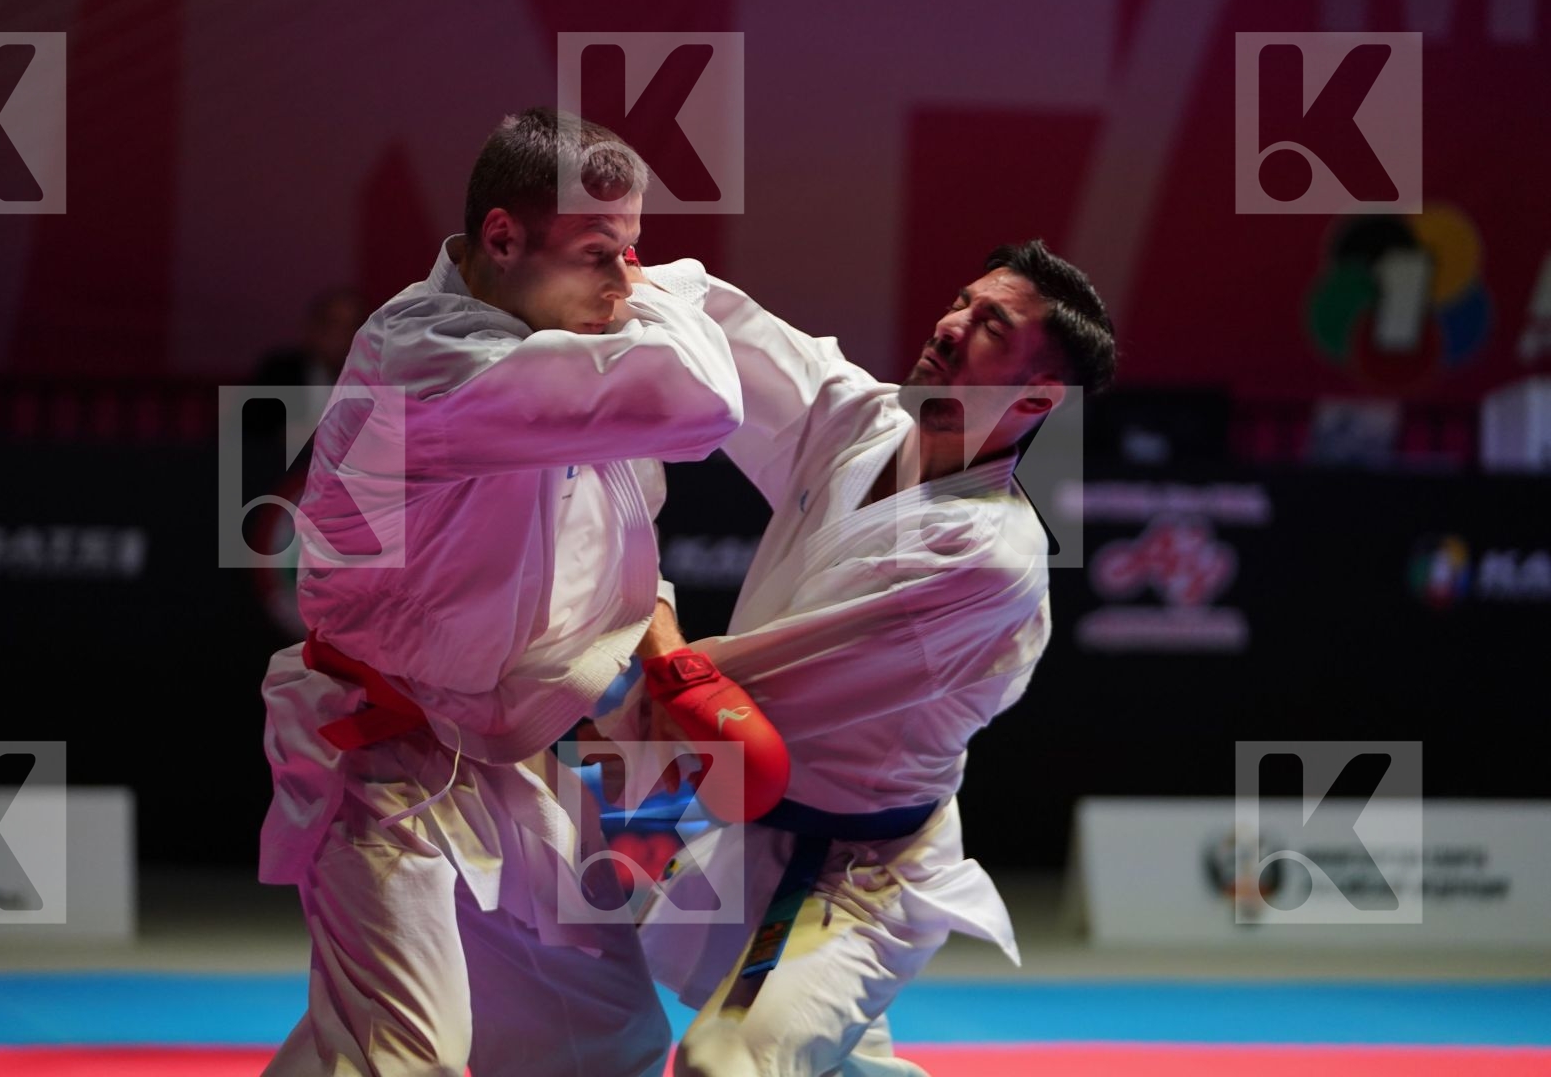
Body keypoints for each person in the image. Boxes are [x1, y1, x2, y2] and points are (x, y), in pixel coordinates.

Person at [257, 108, 747, 1077]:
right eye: (599, 253)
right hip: (381, 761)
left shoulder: (561, 342)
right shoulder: (432, 359)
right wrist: (667, 295)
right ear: (500, 238)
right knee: (402, 1061)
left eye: (635, 251)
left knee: (607, 1043)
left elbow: (619, 532)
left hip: (503, 762)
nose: (623, 281)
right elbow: (702, 404)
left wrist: (667, 655)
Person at [605, 240, 1116, 1076]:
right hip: (745, 812)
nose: (951, 325)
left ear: (1038, 396)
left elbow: (713, 696)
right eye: (960, 300)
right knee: (510, 898)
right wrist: (608, 270)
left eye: (990, 325)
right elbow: (724, 323)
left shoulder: (987, 559)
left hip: (853, 877)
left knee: (723, 1062)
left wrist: (641, 592)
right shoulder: (861, 418)